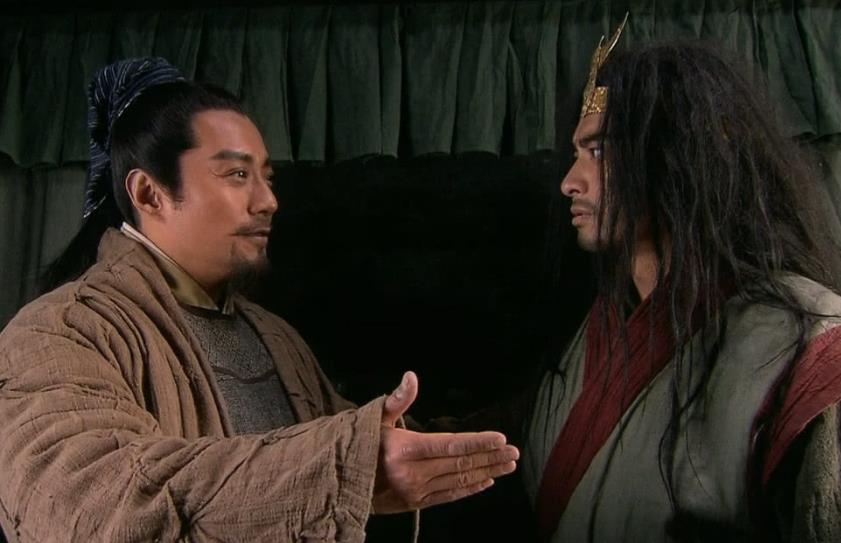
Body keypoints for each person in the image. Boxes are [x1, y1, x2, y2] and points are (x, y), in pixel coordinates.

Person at [0, 57, 518, 542]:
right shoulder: (61, 332)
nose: (268, 200)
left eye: (266, 177)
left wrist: (405, 451)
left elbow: (353, 445)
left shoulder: (275, 336)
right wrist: (342, 465)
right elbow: (85, 504)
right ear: (149, 194)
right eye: (237, 174)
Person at [523, 20, 841, 543]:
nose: (569, 182)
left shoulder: (807, 348)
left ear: (679, 153)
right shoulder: (594, 328)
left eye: (598, 153)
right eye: (577, 155)